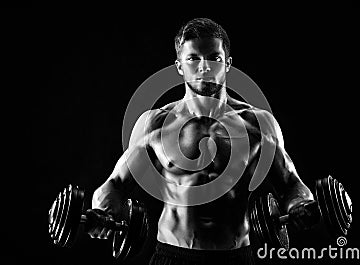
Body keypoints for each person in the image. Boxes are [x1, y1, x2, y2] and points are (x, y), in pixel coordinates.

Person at [87, 18, 318, 265]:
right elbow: (115, 184)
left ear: (228, 64)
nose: (204, 67)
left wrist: (301, 205)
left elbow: (291, 184)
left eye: (214, 59)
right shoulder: (156, 124)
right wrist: (102, 213)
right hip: (172, 256)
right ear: (179, 66)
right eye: (193, 58)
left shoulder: (259, 124)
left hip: (236, 256)